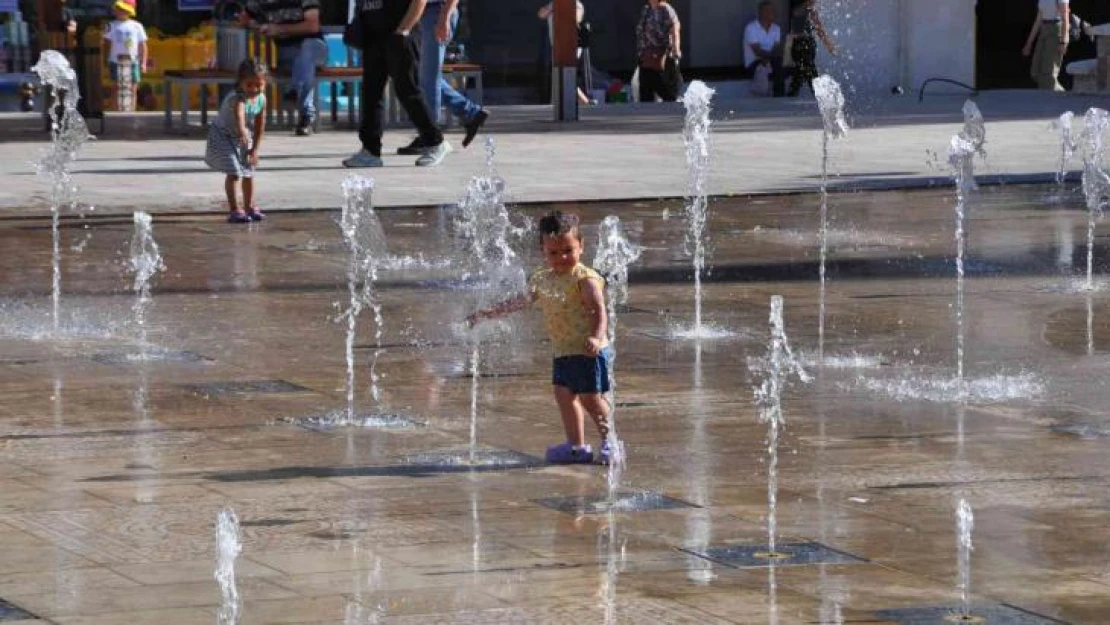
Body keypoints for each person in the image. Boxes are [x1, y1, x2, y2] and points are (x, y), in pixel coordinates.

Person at [466, 211, 613, 464]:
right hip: (563, 350)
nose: (562, 258)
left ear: (581, 246)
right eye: (553, 253)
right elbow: (520, 301)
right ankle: (576, 447)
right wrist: (488, 313)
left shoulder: (585, 279)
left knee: (591, 398)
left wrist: (597, 338)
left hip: (589, 349)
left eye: (568, 250)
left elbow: (600, 311)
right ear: (542, 250)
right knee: (563, 395)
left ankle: (611, 441)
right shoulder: (542, 279)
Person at [343, 0, 452, 168]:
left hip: (400, 34)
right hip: (373, 36)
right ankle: (370, 150)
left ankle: (436, 142)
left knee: (408, 92)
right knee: (371, 93)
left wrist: (404, 29)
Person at [397, 0, 488, 156]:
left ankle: (430, 135)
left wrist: (444, 17)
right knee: (423, 77)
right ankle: (470, 113)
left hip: (437, 12)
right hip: (423, 14)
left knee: (428, 78)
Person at [240, 0, 327, 135]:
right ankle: (305, 115)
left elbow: (313, 26)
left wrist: (280, 29)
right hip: (288, 54)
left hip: (315, 49)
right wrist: (259, 25)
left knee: (307, 50)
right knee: (304, 66)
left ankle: (295, 91)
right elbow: (244, 18)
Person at [205, 59, 268, 223]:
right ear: (240, 83)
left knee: (249, 171)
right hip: (223, 135)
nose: (254, 89)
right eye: (249, 85)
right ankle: (234, 210)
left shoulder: (261, 99)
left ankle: (249, 206)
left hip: (243, 135)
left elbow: (261, 124)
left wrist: (255, 148)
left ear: (265, 83)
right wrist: (242, 131)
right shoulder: (237, 97)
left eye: (258, 85)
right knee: (234, 172)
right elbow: (239, 115)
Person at [538, 0, 592, 105]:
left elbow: (577, 18)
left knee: (566, 77)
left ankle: (584, 102)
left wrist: (557, 9)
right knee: (562, 78)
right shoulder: (553, 4)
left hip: (571, 46)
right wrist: (553, 7)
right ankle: (582, 102)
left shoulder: (576, 4)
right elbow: (541, 14)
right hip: (557, 47)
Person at [101, 0, 147, 108]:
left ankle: (131, 112)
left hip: (133, 61)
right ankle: (116, 112)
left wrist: (143, 62)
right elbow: (106, 43)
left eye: (123, 9)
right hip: (115, 61)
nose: (120, 12)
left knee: (132, 88)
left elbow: (142, 45)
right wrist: (105, 59)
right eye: (118, 9)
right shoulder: (110, 25)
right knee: (116, 87)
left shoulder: (137, 26)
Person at [635, 0, 682, 103]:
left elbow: (675, 29)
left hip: (660, 56)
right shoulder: (647, 9)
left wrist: (675, 50)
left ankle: (672, 110)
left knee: (667, 93)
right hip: (645, 57)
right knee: (645, 93)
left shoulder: (665, 9)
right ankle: (647, 115)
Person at [786, 0, 835, 97]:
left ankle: (792, 92)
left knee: (799, 74)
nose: (814, 2)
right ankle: (819, 93)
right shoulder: (799, 11)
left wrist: (828, 45)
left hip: (808, 47)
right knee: (810, 71)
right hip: (800, 48)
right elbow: (795, 33)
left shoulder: (812, 12)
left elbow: (820, 30)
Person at [1023, 0, 1070, 91]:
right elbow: (1038, 20)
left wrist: (1063, 42)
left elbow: (1065, 19)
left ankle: (1058, 96)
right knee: (1035, 72)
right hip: (1044, 30)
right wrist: (1029, 43)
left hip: (1056, 30)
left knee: (1048, 75)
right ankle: (1052, 93)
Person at [743, 1, 785, 97]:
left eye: (774, 11)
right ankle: (776, 95)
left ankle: (780, 95)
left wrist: (770, 58)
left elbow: (776, 48)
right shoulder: (751, 28)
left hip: (770, 60)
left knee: (780, 62)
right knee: (776, 62)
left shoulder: (776, 28)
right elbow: (757, 51)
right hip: (754, 62)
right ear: (762, 12)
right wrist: (769, 57)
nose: (774, 13)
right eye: (771, 11)